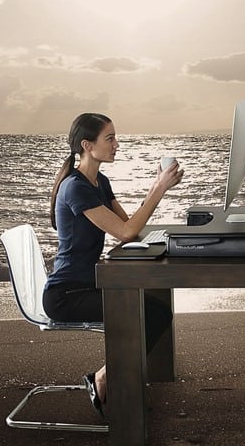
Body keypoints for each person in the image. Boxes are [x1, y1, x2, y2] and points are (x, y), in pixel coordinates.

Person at [43, 112, 183, 418]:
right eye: (110, 138)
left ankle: (111, 377)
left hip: (89, 284)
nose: (117, 144)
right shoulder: (75, 187)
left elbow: (127, 224)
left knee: (154, 311)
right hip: (67, 295)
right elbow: (125, 232)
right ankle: (106, 378)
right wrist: (159, 188)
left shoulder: (98, 182)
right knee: (150, 314)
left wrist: (158, 187)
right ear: (87, 145)